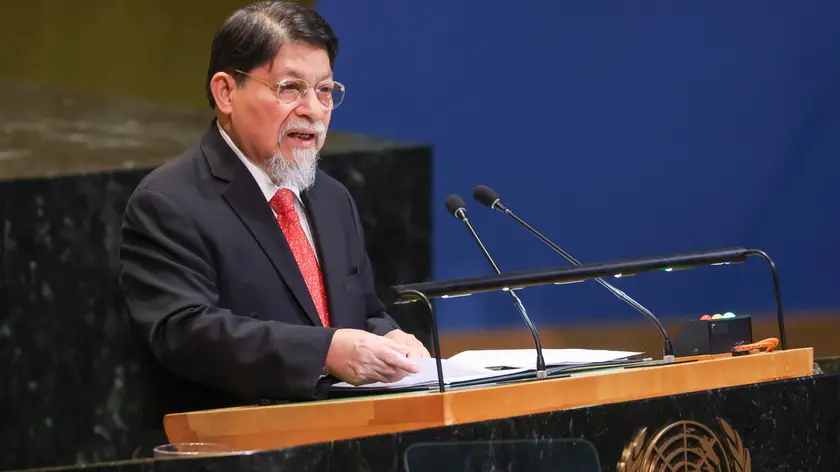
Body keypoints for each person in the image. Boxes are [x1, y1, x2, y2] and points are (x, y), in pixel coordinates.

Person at [119, 0, 429, 431]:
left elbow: (361, 311)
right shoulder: (169, 201)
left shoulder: (331, 198)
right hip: (226, 448)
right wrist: (325, 352)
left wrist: (388, 337)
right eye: (290, 88)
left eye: (324, 90)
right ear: (226, 92)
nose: (313, 110)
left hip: (343, 442)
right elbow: (186, 332)